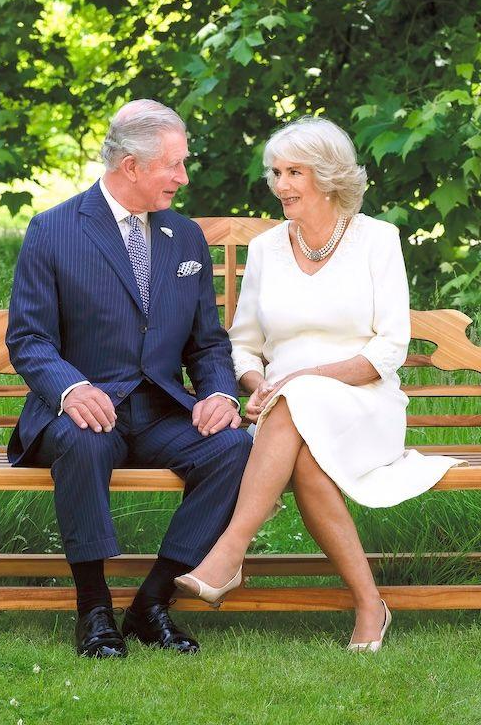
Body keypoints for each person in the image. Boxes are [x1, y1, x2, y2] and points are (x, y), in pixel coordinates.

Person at [174, 116, 464, 652]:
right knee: (305, 452)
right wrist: (258, 381)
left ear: (328, 177)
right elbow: (243, 343)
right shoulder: (265, 250)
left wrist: (299, 379)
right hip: (289, 414)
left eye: (294, 172)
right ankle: (369, 604)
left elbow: (388, 350)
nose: (280, 184)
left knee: (298, 395)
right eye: (276, 172)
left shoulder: (377, 240)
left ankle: (230, 549)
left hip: (364, 404)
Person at [6, 99, 251, 658]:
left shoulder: (184, 237)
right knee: (84, 439)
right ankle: (93, 609)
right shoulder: (53, 230)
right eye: (175, 165)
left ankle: (151, 603)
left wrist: (218, 392)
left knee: (233, 447)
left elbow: (208, 342)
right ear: (132, 166)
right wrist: (70, 388)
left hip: (160, 412)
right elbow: (28, 339)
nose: (184, 178)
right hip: (83, 411)